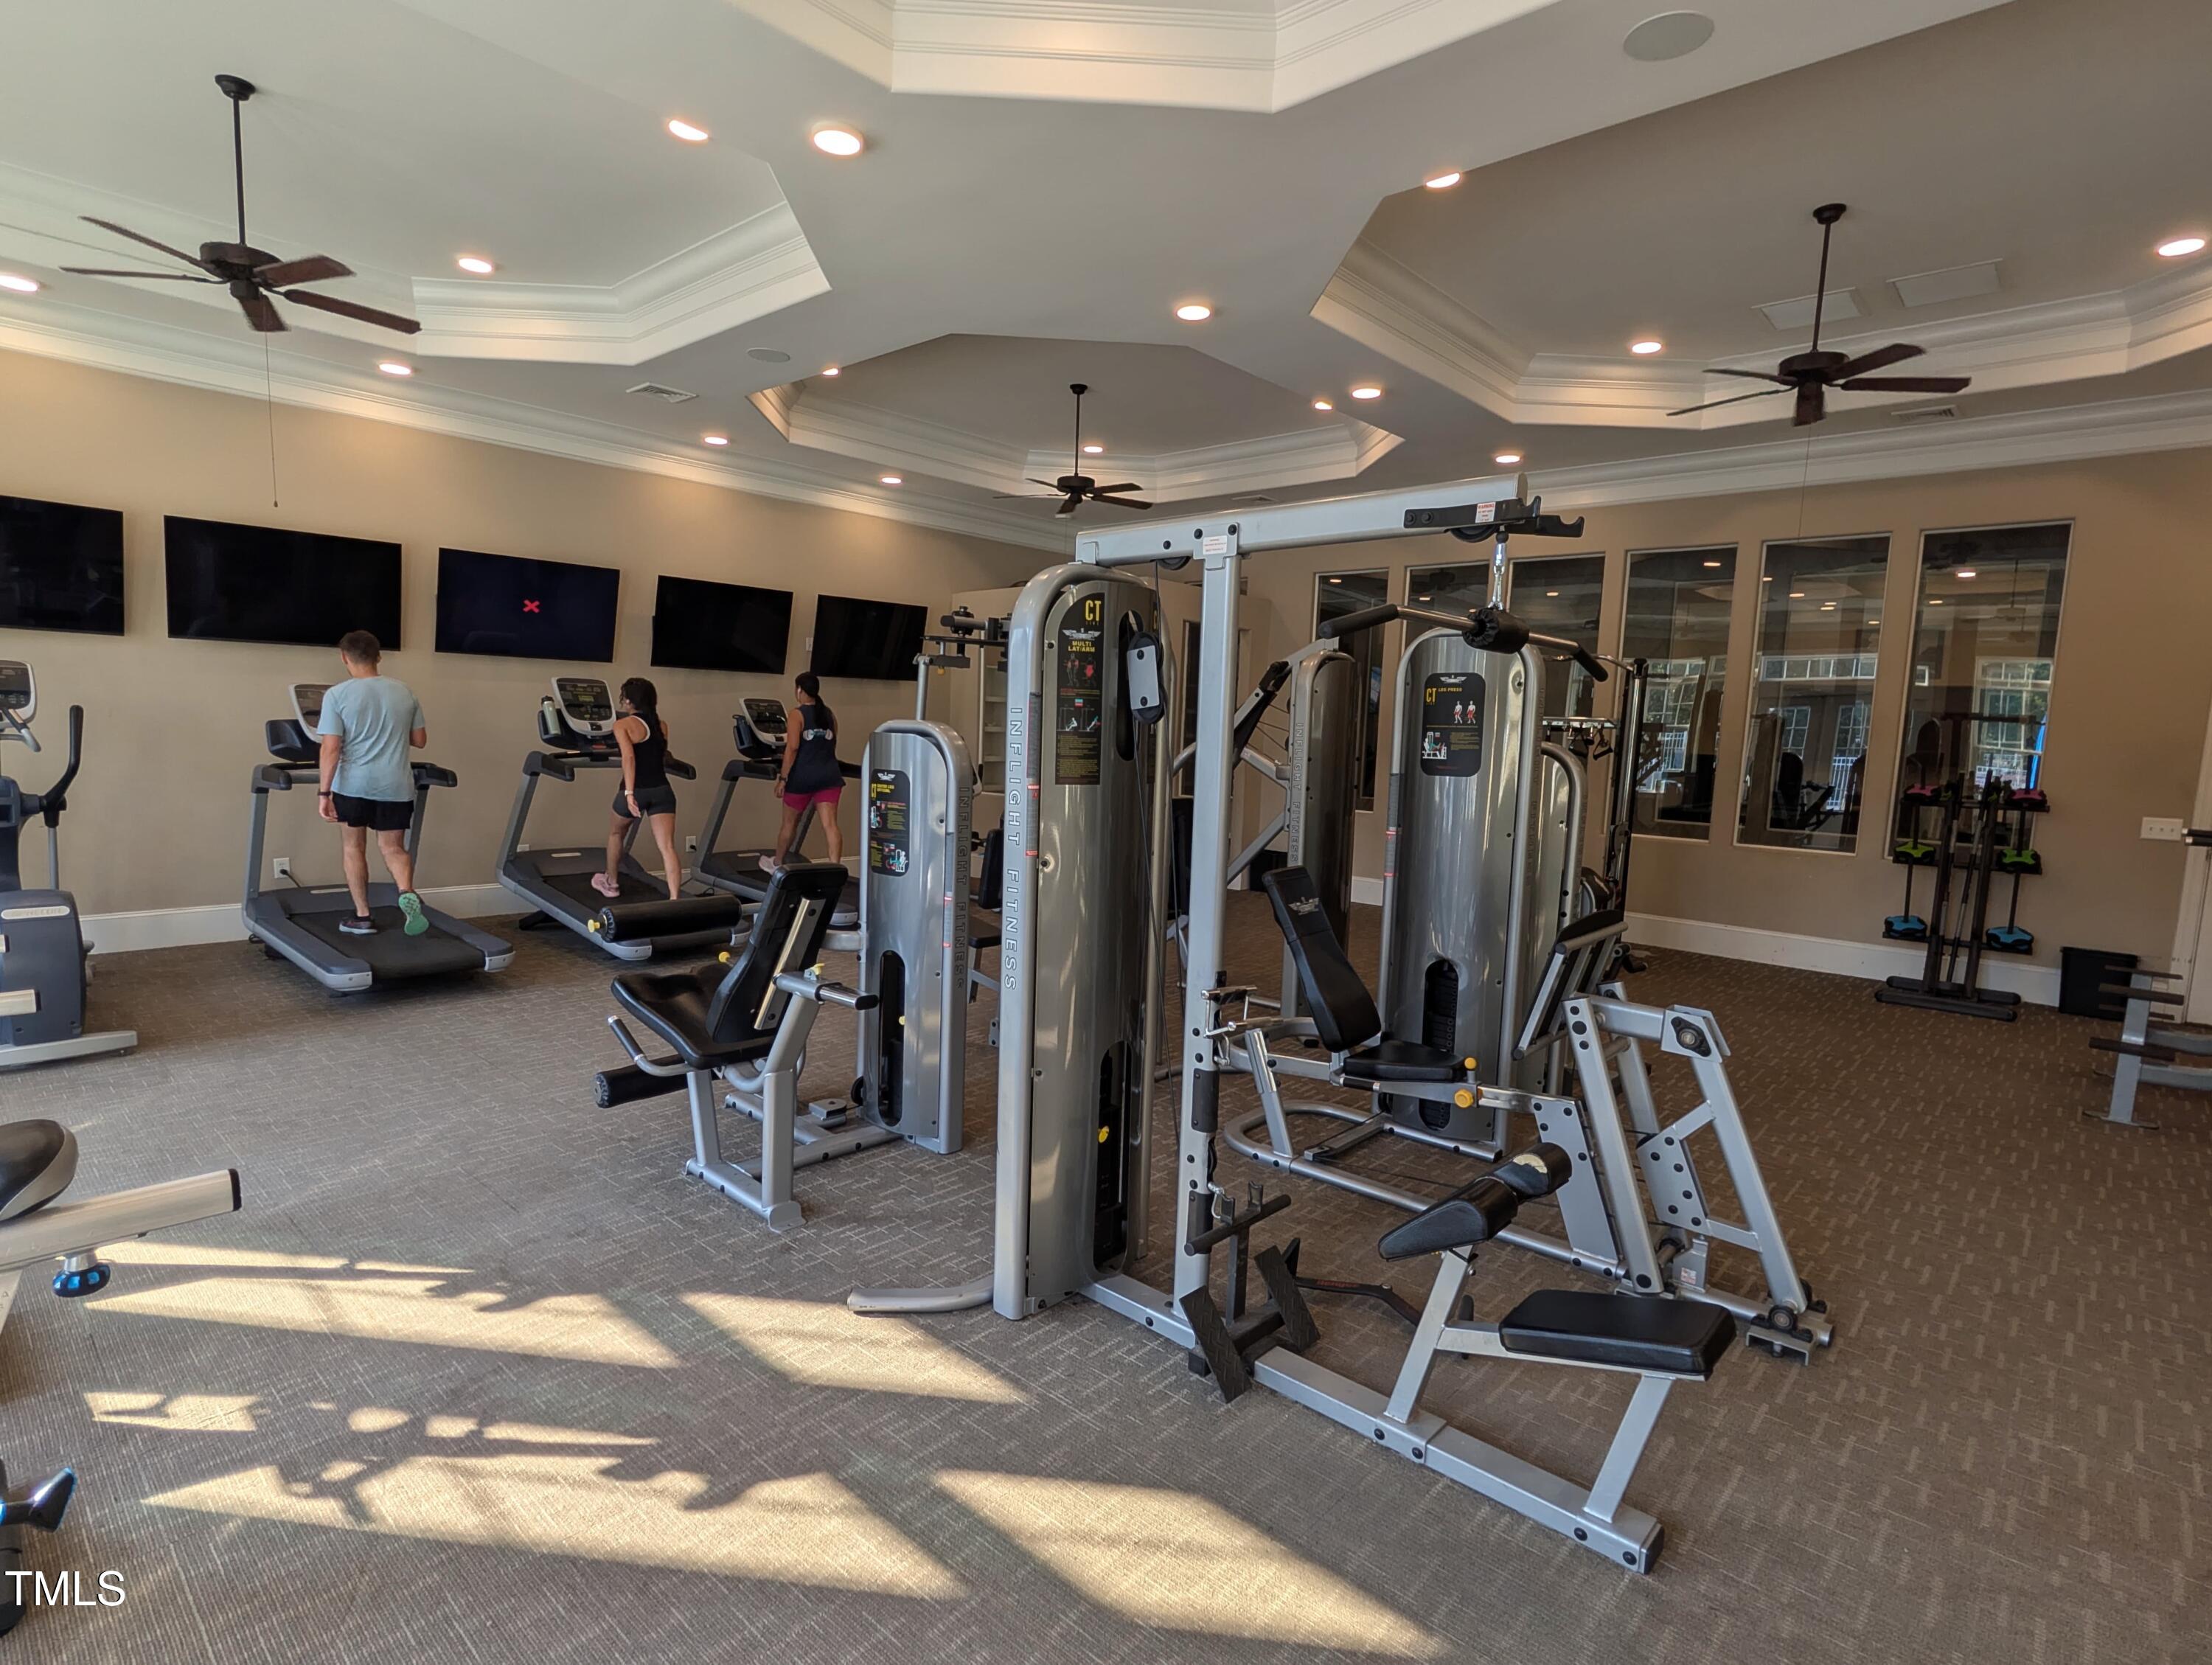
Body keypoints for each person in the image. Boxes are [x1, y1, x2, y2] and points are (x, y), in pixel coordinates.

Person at [314, 630, 428, 937]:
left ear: (344, 657)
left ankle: (363, 917)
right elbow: (420, 741)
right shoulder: (405, 692)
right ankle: (406, 891)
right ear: (379, 657)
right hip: (396, 785)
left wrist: (324, 792)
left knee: (354, 847)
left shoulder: (337, 695)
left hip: (353, 785)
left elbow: (331, 748)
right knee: (393, 849)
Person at [595, 677, 684, 903]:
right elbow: (658, 754)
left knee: (616, 834)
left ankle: (611, 883)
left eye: (623, 698)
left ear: (628, 701)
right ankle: (675, 899)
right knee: (668, 847)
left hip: (637, 790)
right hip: (663, 791)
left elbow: (630, 759)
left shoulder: (622, 725)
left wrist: (630, 794)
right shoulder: (662, 725)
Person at [762, 671, 844, 871]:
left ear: (799, 690)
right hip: (829, 776)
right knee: (830, 825)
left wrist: (783, 779)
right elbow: (832, 744)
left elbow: (792, 748)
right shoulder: (829, 714)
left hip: (802, 779)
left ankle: (778, 863)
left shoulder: (796, 714)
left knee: (789, 824)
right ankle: (836, 868)